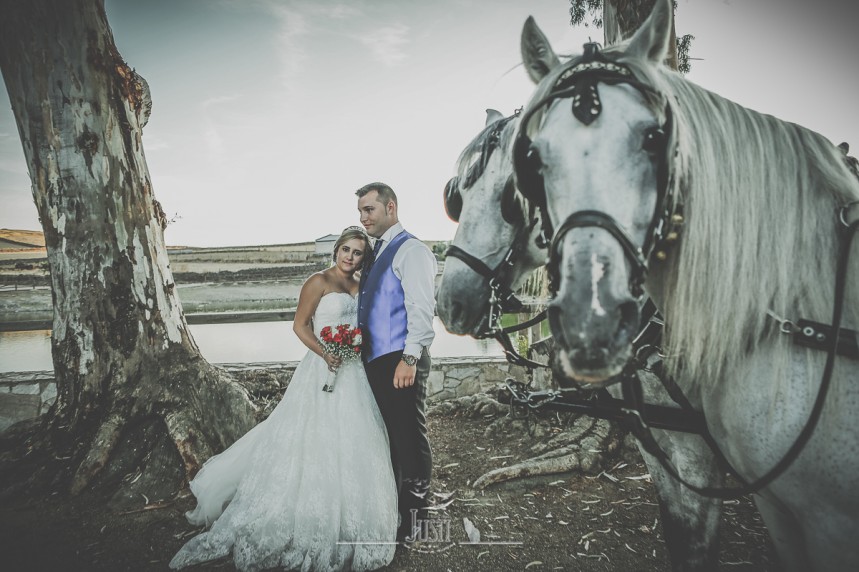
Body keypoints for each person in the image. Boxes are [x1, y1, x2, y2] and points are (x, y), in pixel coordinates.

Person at [169, 227, 397, 572]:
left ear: (364, 258)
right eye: (346, 250)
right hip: (321, 369)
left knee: (355, 440)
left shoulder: (359, 285)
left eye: (358, 253)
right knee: (308, 438)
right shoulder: (318, 282)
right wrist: (325, 352)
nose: (350, 257)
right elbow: (300, 326)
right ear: (336, 250)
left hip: (353, 373)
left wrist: (355, 345)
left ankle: (351, 517)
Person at [355, 182, 437, 542]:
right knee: (390, 436)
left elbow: (422, 310)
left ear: (391, 207)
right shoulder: (377, 251)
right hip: (377, 360)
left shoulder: (411, 250)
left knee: (408, 433)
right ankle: (399, 512)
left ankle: (418, 521)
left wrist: (409, 358)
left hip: (400, 359)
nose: (363, 217)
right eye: (360, 211)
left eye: (369, 209)